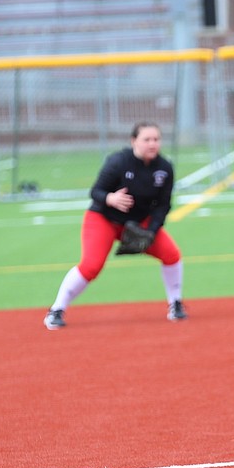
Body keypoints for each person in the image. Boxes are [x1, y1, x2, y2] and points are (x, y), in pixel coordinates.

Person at [43, 121, 187, 329]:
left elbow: (163, 205)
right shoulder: (118, 162)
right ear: (133, 141)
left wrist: (151, 232)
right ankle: (56, 310)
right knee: (92, 265)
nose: (152, 144)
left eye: (156, 139)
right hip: (104, 218)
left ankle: (175, 303)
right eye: (146, 139)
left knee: (172, 255)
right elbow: (95, 192)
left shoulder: (164, 168)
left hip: (139, 221)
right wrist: (110, 198)